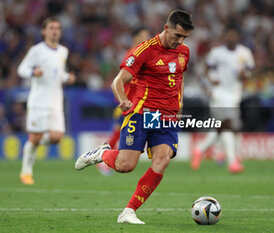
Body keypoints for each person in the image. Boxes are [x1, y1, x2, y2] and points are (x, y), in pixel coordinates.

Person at [75, 9, 194, 224]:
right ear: (166, 28)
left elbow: (179, 77)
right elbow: (117, 81)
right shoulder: (144, 50)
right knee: (125, 166)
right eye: (177, 36)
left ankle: (129, 211)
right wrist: (123, 100)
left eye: (184, 37)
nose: (180, 41)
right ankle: (102, 154)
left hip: (166, 117)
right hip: (141, 113)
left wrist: (180, 102)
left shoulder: (184, 52)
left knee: (162, 161)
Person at [18, 17, 75, 185]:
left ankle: (31, 144)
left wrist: (67, 77)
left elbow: (57, 73)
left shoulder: (63, 51)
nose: (55, 31)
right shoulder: (37, 50)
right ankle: (26, 172)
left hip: (55, 102)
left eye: (57, 28)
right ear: (44, 31)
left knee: (57, 137)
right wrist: (32, 72)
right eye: (51, 28)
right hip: (38, 102)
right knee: (36, 136)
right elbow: (21, 69)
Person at [191, 26, 255, 173]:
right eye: (229, 35)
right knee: (228, 126)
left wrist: (244, 75)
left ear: (238, 37)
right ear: (225, 37)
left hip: (235, 95)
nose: (231, 38)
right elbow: (205, 69)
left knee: (223, 127)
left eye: (234, 35)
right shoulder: (217, 53)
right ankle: (232, 161)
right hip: (219, 94)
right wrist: (209, 83)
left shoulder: (244, 53)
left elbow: (250, 72)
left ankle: (200, 149)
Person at [96, 27, 151, 176]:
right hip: (130, 103)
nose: (147, 40)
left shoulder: (145, 54)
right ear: (135, 38)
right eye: (144, 36)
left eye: (148, 37)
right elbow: (125, 78)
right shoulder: (132, 55)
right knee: (120, 132)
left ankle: (106, 157)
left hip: (139, 104)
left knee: (120, 132)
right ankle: (104, 158)